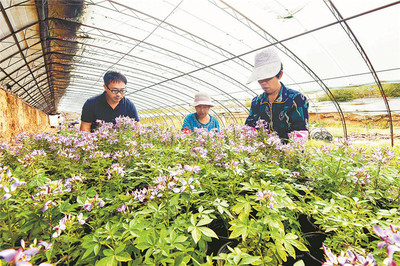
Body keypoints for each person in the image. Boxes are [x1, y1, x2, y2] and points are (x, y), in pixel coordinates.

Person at [245, 47, 309, 142]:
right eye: (260, 79)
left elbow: (300, 133)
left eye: (267, 78)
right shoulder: (257, 101)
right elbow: (249, 128)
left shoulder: (295, 99)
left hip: (287, 154)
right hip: (262, 153)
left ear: (280, 75)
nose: (263, 83)